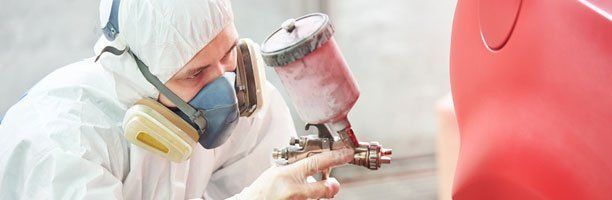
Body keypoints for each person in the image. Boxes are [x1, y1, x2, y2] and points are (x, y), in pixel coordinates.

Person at [0, 0, 353, 199]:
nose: (224, 86)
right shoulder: (59, 144)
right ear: (135, 72)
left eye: (228, 53)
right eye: (193, 73)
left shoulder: (239, 97)